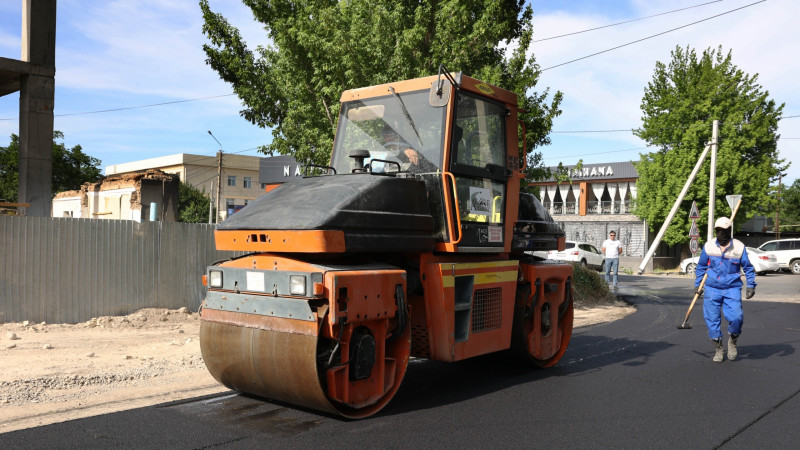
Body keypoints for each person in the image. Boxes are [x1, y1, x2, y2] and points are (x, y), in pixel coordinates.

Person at [694, 217, 756, 363]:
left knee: (736, 317)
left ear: (730, 230)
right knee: (712, 320)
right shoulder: (709, 246)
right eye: (719, 231)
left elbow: (748, 268)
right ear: (716, 231)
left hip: (732, 288)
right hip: (712, 288)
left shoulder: (739, 247)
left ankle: (733, 340)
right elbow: (702, 266)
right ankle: (718, 347)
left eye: (725, 231)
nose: (722, 234)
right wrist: (698, 284)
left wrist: (751, 285)